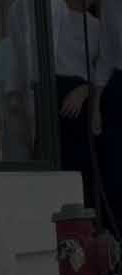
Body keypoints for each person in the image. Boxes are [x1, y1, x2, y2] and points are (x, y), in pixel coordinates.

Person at [50, 0, 99, 209]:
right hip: (53, 91)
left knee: (85, 164)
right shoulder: (54, 13)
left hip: (85, 96)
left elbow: (103, 68)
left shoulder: (97, 26)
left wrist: (84, 91)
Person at [94, 0, 122, 234]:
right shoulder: (112, 5)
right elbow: (106, 56)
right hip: (117, 87)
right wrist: (95, 108)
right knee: (115, 174)